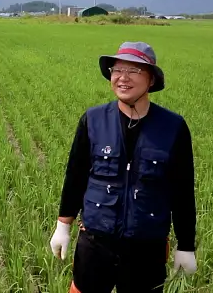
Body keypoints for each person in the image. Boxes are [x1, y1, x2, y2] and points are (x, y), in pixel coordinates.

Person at [49, 41, 198, 293]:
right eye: (117, 70)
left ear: (151, 80)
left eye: (133, 71)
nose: (122, 78)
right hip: (96, 242)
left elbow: (182, 191)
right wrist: (63, 226)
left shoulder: (173, 127)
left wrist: (185, 245)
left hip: (146, 247)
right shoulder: (93, 119)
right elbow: (75, 176)